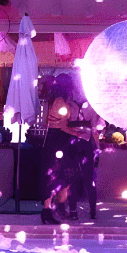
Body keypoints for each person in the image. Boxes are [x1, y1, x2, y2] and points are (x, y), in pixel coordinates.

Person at [42, 81, 97, 222]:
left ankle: (54, 209)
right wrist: (79, 134)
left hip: (53, 138)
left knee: (56, 175)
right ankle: (50, 211)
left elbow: (49, 123)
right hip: (58, 139)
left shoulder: (52, 101)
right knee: (58, 175)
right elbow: (62, 127)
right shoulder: (61, 103)